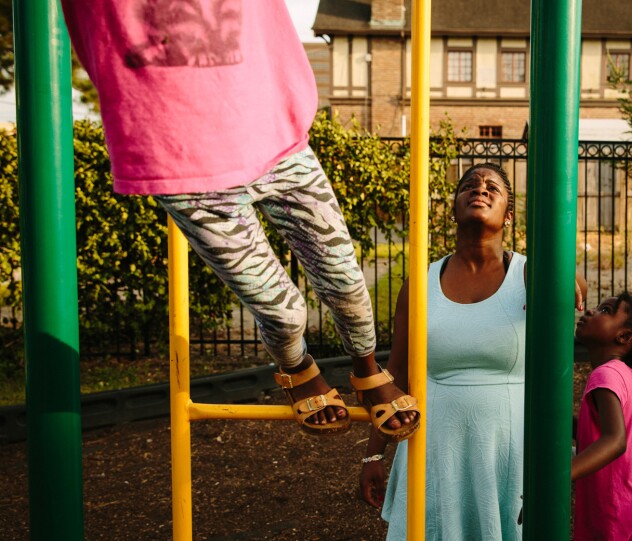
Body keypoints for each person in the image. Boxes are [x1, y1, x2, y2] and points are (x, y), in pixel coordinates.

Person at [59, 0, 419, 439]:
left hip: (274, 135)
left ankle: (366, 369)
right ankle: (296, 366)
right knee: (284, 314)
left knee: (348, 286)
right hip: (182, 162)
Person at [358, 163, 586, 541]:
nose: (479, 188)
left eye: (492, 186)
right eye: (469, 184)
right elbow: (395, 376)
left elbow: (575, 286)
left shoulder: (530, 274)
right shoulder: (421, 283)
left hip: (506, 446)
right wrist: (373, 454)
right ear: (454, 208)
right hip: (434, 446)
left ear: (509, 215)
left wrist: (562, 272)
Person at [572, 294, 632, 541]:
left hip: (623, 508)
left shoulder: (605, 376)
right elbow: (596, 426)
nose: (592, 312)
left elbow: (615, 440)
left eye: (605, 310)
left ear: (624, 337)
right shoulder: (624, 373)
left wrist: (557, 476)